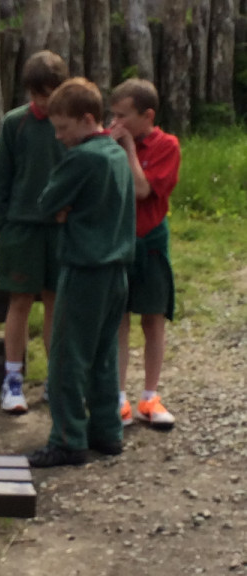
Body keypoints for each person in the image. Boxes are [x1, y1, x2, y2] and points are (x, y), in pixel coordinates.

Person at [29, 77, 135, 468]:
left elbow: (46, 203)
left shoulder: (83, 158)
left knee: (67, 359)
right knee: (103, 355)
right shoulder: (116, 154)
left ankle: (68, 439)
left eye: (63, 128)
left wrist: (62, 211)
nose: (58, 137)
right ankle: (107, 432)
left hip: (85, 269)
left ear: (88, 119)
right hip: (117, 271)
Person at [0, 50, 69, 414]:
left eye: (48, 94)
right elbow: (1, 177)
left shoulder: (70, 124)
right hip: (21, 228)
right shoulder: (14, 123)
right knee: (19, 302)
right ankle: (13, 379)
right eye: (37, 95)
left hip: (60, 228)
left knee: (55, 303)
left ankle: (55, 379)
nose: (43, 102)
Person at [108, 78, 180, 430]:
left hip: (150, 241)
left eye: (123, 115)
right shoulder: (109, 144)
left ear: (147, 115)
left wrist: (128, 149)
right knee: (118, 319)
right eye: (113, 115)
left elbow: (141, 189)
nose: (116, 122)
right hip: (117, 241)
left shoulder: (167, 146)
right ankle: (118, 396)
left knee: (152, 320)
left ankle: (150, 396)